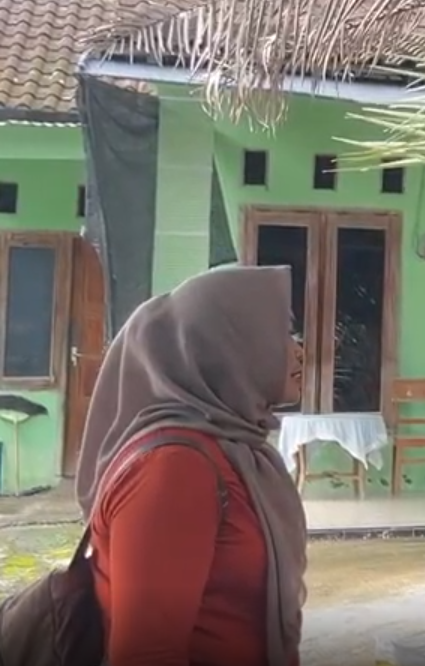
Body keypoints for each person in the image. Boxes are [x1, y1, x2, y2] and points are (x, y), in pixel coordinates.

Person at [75, 264, 311, 666]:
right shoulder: (174, 467)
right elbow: (147, 655)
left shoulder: (237, 449)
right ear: (225, 347)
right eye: (282, 333)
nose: (298, 349)